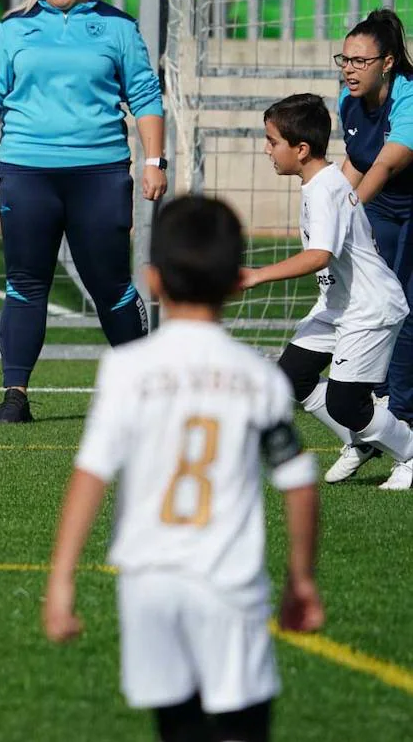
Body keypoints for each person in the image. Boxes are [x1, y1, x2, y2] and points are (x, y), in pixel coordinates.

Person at [44, 194, 322, 742]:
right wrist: (301, 579)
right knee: (241, 726)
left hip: (149, 583)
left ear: (152, 280)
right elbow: (297, 481)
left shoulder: (126, 369)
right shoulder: (258, 376)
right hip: (228, 580)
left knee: (177, 727)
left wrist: (61, 580)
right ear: (233, 282)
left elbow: (91, 473)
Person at [0, 0, 166, 425]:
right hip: (28, 174)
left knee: (109, 284)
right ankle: (15, 396)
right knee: (24, 282)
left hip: (100, 174)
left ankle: (145, 390)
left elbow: (147, 98)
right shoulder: (15, 28)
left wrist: (154, 161)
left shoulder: (118, 28)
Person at [240, 93, 413, 490]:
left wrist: (255, 276)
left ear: (301, 149)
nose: (266, 149)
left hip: (369, 308)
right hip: (339, 304)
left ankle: (408, 452)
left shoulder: (323, 191)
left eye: (272, 141)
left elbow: (319, 256)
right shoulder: (320, 182)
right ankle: (362, 441)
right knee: (292, 378)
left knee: (346, 402)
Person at [330, 8, 413, 481]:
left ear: (388, 63)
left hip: (406, 201)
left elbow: (382, 167)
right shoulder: (348, 99)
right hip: (383, 205)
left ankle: (405, 427)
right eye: (345, 58)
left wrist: (344, 217)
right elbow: (357, 162)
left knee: (405, 310)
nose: (349, 68)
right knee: (364, 304)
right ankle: (370, 427)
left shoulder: (408, 97)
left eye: (360, 61)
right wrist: (324, 210)